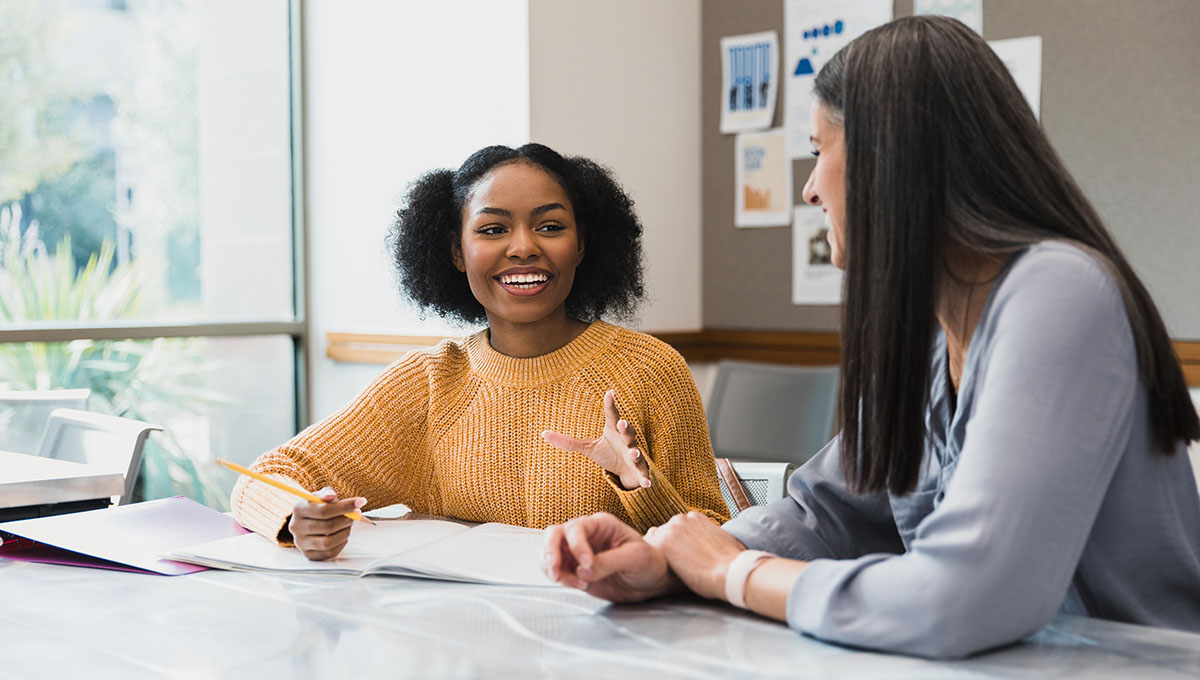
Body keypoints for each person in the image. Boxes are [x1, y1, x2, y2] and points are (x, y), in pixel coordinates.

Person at [542, 16, 1200, 660]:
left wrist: (730, 575)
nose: (809, 188)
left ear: (893, 158)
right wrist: (664, 559)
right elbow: (824, 513)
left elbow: (966, 598)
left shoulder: (1061, 291)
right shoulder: (928, 335)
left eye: (817, 151)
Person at [232, 143, 728, 560]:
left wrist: (637, 484)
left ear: (581, 246)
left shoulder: (650, 370)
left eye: (550, 227)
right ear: (455, 250)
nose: (523, 248)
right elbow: (263, 478)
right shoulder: (430, 383)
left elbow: (717, 538)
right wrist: (298, 517)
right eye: (493, 230)